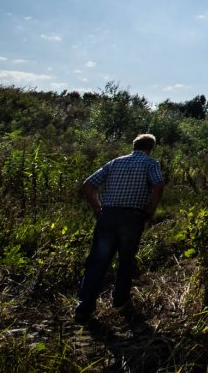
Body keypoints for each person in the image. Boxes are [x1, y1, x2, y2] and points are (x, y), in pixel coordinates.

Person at [74, 133, 165, 322]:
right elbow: (158, 185)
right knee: (126, 260)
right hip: (132, 216)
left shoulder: (115, 162)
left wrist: (98, 208)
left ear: (134, 146)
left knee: (98, 261)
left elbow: (89, 184)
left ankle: (85, 306)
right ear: (150, 148)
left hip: (107, 216)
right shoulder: (151, 164)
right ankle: (120, 301)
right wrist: (151, 209)